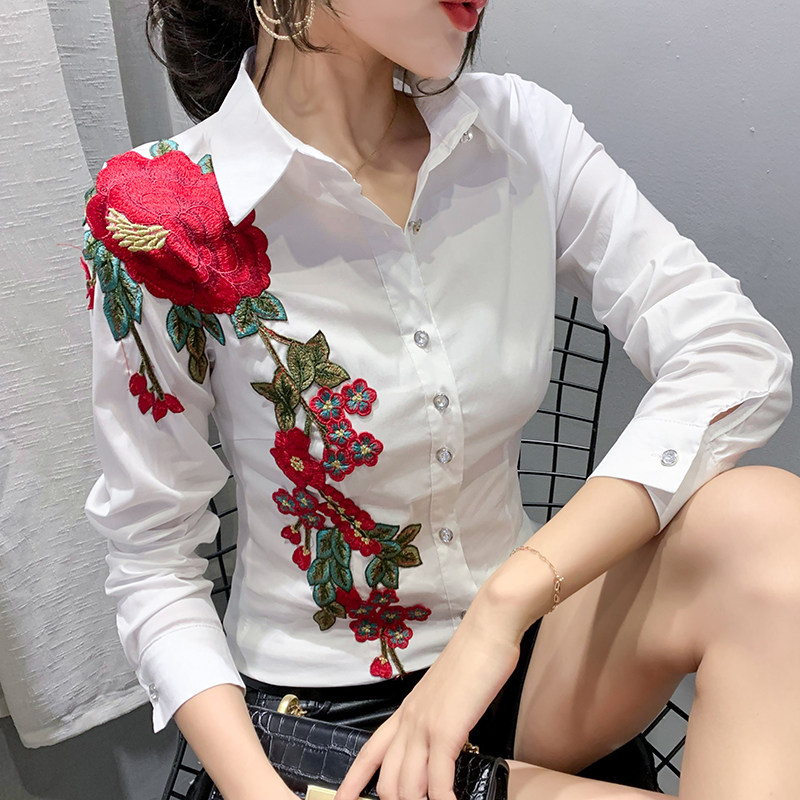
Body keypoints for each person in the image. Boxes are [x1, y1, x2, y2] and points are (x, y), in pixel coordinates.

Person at [78, 0, 799, 798]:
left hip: (528, 658)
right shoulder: (157, 215)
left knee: (766, 524)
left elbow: (734, 352)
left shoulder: (518, 134)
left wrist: (506, 604)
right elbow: (150, 558)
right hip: (326, 721)